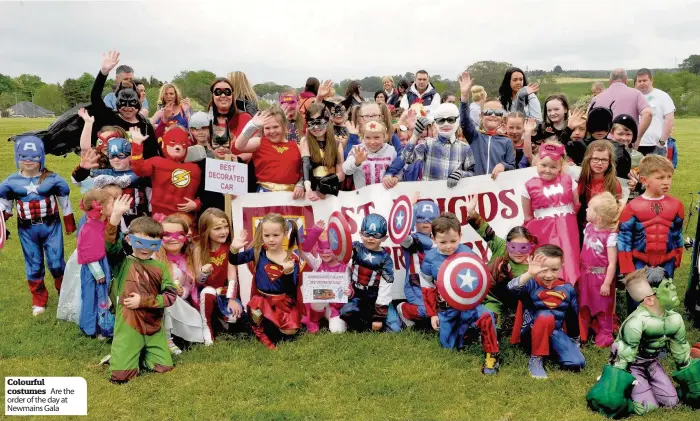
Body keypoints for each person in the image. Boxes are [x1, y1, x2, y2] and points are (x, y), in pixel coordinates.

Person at [596, 268, 694, 415]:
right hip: (632, 367)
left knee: (672, 401)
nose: (674, 287)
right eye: (667, 286)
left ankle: (647, 385)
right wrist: (613, 386)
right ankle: (625, 388)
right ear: (649, 299)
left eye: (671, 283)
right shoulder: (636, 322)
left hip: (652, 363)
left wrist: (693, 384)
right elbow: (623, 356)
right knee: (648, 406)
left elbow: (681, 353)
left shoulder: (675, 319)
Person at [0, 136, 77, 316]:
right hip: (27, 230)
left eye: (34, 157)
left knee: (56, 263)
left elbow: (64, 202)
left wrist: (69, 224)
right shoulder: (10, 183)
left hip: (51, 227)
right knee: (34, 265)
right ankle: (39, 300)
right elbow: (5, 205)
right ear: (17, 157)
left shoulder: (53, 179)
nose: (29, 161)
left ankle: (64, 294)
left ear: (41, 157)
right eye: (24, 157)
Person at [418, 212, 500, 375]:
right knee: (448, 348)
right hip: (447, 310)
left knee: (486, 316)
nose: (448, 246)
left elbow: (481, 278)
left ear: (460, 236)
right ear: (433, 239)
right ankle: (466, 333)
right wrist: (432, 314)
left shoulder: (468, 253)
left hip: (469, 306)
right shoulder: (430, 258)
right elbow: (427, 286)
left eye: (453, 241)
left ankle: (492, 355)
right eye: (443, 242)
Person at [106, 202, 177, 383]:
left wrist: (143, 301)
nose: (145, 248)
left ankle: (142, 354)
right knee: (121, 376)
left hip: (153, 326)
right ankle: (124, 355)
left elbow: (170, 296)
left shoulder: (161, 267)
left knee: (164, 367)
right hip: (128, 326)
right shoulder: (122, 263)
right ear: (129, 240)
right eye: (140, 242)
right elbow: (110, 247)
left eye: (152, 244)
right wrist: (115, 217)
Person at [508, 245, 584, 379]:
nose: (549, 275)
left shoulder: (567, 288)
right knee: (546, 316)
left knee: (577, 363)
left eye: (554, 270)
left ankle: (549, 351)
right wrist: (529, 274)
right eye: (543, 270)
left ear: (562, 266)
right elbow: (511, 289)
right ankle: (536, 359)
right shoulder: (530, 284)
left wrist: (574, 342)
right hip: (530, 334)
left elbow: (572, 316)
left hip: (555, 332)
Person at [229, 214, 303, 349]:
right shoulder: (258, 252)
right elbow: (235, 260)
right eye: (267, 235)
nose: (271, 239)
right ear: (261, 234)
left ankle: (273, 324)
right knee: (256, 314)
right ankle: (264, 325)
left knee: (290, 331)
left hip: (283, 302)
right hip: (262, 300)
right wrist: (234, 249)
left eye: (276, 235)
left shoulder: (292, 259)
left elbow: (292, 288)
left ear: (285, 233)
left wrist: (288, 273)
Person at [466, 196, 537, 334]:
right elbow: (485, 230)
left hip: (509, 302)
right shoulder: (500, 246)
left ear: (530, 247)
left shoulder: (532, 265)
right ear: (506, 245)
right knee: (481, 322)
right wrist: (472, 212)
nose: (518, 252)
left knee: (498, 327)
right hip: (488, 294)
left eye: (524, 248)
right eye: (513, 247)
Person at [522, 141, 581, 285]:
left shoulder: (568, 180)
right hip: (543, 232)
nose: (547, 170)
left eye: (553, 167)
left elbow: (576, 203)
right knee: (546, 261)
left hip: (568, 230)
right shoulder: (529, 186)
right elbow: (528, 216)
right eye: (543, 165)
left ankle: (569, 292)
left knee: (569, 260)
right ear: (536, 162)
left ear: (561, 167)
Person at [618, 155, 684, 280]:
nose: (666, 182)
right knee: (639, 298)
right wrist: (626, 266)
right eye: (660, 178)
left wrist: (678, 255)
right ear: (644, 180)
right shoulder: (632, 207)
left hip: (667, 260)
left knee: (665, 297)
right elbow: (624, 237)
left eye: (669, 177)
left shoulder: (677, 206)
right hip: (639, 261)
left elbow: (677, 233)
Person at [91, 51, 159, 159]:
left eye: (132, 103)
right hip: (112, 169)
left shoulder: (145, 125)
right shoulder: (111, 118)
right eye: (123, 103)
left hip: (137, 171)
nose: (128, 107)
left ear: (138, 102)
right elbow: (95, 97)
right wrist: (103, 73)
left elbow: (153, 154)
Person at [156, 214, 205, 354]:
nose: (173, 239)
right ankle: (167, 339)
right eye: (167, 235)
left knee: (194, 320)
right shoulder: (154, 256)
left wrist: (183, 291)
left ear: (186, 236)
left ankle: (177, 336)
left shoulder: (189, 256)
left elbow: (190, 284)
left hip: (180, 302)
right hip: (158, 305)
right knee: (166, 299)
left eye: (179, 234)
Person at [194, 208, 242, 345]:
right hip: (205, 294)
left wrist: (232, 299)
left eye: (226, 226)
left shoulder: (230, 247)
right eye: (217, 228)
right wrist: (203, 272)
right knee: (207, 291)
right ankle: (207, 327)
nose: (224, 231)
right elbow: (199, 281)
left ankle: (220, 318)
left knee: (233, 317)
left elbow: (232, 275)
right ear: (206, 230)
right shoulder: (199, 250)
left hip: (225, 292)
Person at [130, 127, 201, 218]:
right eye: (173, 142)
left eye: (182, 144)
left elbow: (205, 193)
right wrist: (136, 144)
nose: (178, 147)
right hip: (159, 215)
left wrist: (197, 204)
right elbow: (139, 169)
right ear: (164, 144)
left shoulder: (195, 169)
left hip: (184, 218)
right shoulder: (157, 162)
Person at [339, 214, 394, 332]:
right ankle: (364, 324)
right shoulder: (355, 248)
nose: (371, 238)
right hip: (356, 295)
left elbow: (385, 287)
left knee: (394, 328)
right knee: (346, 312)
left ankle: (393, 310)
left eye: (376, 235)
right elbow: (343, 264)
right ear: (360, 233)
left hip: (375, 297)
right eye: (367, 234)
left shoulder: (386, 259)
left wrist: (379, 317)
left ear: (384, 237)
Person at [578, 192, 619, 348]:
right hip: (585, 275)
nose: (586, 210)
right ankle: (582, 331)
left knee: (603, 307)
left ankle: (605, 332)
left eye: (589, 208)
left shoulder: (610, 236)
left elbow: (612, 263)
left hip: (601, 278)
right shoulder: (588, 227)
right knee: (584, 303)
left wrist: (607, 283)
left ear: (599, 218)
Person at [235, 107, 304, 197]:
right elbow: (239, 145)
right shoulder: (259, 142)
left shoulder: (297, 147)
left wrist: (301, 184)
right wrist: (252, 125)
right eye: (267, 128)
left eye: (276, 127)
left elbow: (305, 170)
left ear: (284, 127)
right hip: (264, 195)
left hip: (290, 197)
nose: (272, 131)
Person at [395, 194, 440, 328]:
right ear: (415, 220)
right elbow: (402, 235)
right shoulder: (412, 240)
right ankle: (403, 309)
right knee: (425, 311)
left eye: (430, 219)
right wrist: (407, 208)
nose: (426, 222)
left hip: (435, 284)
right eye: (421, 218)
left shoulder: (440, 239)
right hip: (416, 285)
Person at [458, 72, 515, 177]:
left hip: (495, 189)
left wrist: (503, 165)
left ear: (502, 118)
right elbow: (464, 121)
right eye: (488, 112)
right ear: (481, 115)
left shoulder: (506, 141)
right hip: (474, 187)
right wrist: (464, 96)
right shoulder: (475, 136)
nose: (493, 115)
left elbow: (511, 165)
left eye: (497, 113)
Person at [76, 189, 116, 338]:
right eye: (112, 203)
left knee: (103, 295)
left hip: (102, 263)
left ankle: (103, 324)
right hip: (94, 269)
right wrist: (98, 272)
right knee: (95, 296)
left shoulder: (102, 222)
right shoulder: (89, 227)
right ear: (101, 208)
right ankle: (95, 328)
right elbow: (86, 251)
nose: (115, 206)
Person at [299, 220, 348, 333]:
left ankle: (333, 319)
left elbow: (348, 288)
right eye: (321, 250)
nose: (325, 253)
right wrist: (315, 232)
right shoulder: (318, 263)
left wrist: (349, 291)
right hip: (320, 304)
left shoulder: (345, 266)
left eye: (328, 250)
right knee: (307, 289)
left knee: (337, 331)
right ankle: (314, 320)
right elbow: (305, 251)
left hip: (335, 307)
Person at [587, 68, 652, 142]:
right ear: (626, 80)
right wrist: (637, 138)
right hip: (625, 143)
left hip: (602, 145)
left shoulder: (596, 99)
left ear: (610, 81)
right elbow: (648, 114)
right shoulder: (636, 94)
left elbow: (588, 121)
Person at [576, 140, 622, 235]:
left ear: (610, 162)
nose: (599, 163)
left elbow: (618, 211)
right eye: (595, 158)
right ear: (588, 159)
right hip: (582, 229)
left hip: (604, 232)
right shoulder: (580, 181)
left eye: (604, 160)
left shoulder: (614, 184)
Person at [300, 103, 344, 200]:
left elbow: (341, 174)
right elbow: (306, 164)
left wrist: (327, 181)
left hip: (331, 192)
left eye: (319, 122)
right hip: (311, 192)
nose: (315, 127)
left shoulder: (337, 144)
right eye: (311, 123)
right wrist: (308, 187)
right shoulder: (305, 141)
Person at [342, 120, 396, 189]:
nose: (372, 142)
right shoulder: (357, 150)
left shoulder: (391, 150)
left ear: (384, 136)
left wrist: (396, 177)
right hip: (364, 196)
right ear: (363, 137)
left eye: (376, 137)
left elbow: (398, 169)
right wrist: (356, 162)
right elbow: (346, 170)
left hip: (385, 194)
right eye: (368, 138)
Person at [634, 69, 675, 155]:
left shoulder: (663, 96)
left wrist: (662, 143)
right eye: (639, 81)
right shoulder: (633, 96)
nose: (642, 83)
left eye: (644, 80)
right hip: (636, 145)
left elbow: (669, 120)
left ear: (651, 80)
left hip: (656, 145)